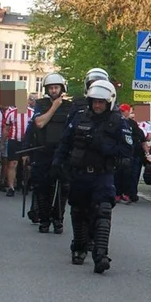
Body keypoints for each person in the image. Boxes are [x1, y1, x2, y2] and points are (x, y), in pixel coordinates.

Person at [54, 80, 132, 273]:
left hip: (102, 175)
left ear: (109, 102)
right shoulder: (80, 118)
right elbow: (65, 142)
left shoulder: (118, 122)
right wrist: (57, 163)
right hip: (79, 174)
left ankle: (101, 254)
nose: (97, 105)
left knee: (103, 210)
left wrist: (102, 146)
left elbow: (127, 150)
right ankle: (79, 247)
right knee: (78, 211)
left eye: (101, 102)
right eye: (94, 101)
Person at [31, 73, 72, 233]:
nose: (54, 90)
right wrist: (54, 106)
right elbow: (39, 123)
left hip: (63, 153)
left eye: (56, 87)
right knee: (43, 187)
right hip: (44, 152)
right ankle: (44, 219)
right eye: (51, 88)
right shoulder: (41, 104)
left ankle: (58, 219)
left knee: (63, 188)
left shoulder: (70, 106)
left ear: (62, 88)